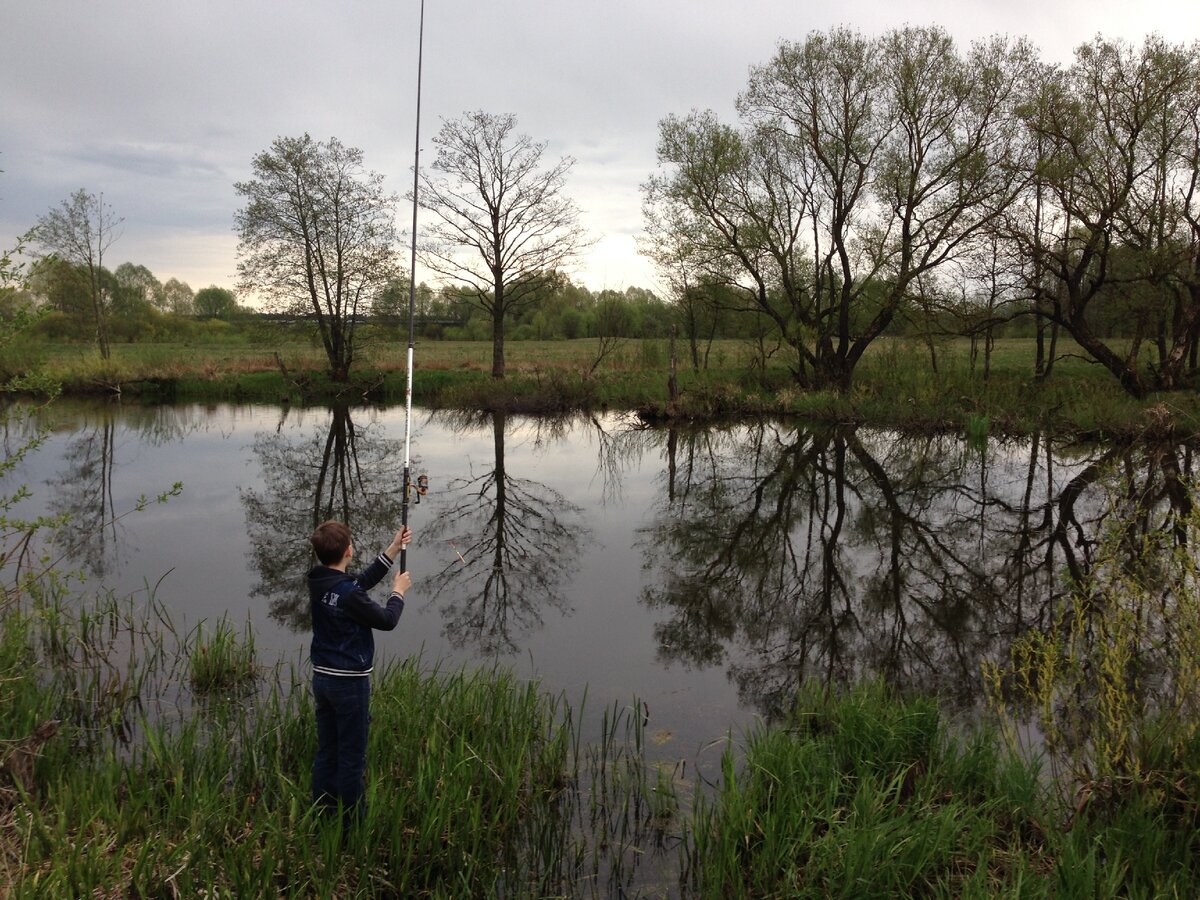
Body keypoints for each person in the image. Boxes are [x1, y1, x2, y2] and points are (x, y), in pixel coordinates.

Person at [307, 519, 413, 828]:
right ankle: (353, 826)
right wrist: (398, 591)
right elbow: (387, 620)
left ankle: (323, 814)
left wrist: (393, 548)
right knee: (352, 758)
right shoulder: (348, 594)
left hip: (323, 680)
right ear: (349, 551)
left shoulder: (319, 581)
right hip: (349, 684)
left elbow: (359, 583)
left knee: (328, 750)